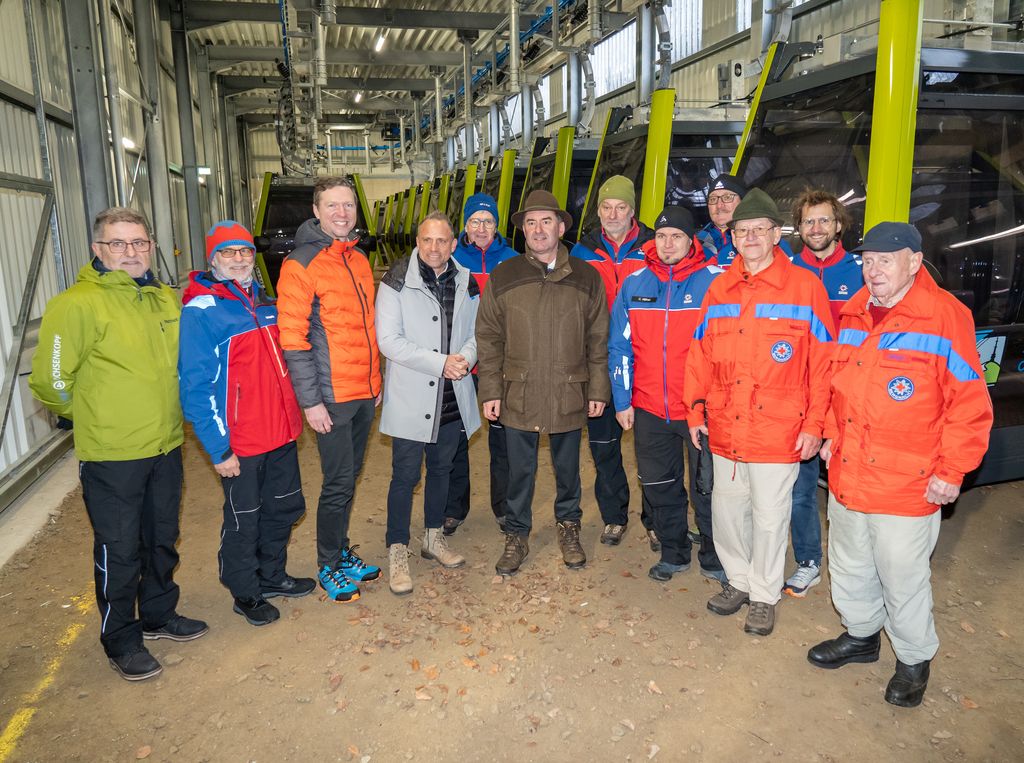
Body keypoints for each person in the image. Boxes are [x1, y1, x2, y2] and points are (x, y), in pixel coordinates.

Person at [808, 222, 992, 708]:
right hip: (849, 473)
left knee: (902, 575)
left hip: (906, 481)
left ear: (913, 261)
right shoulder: (854, 314)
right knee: (848, 564)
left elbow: (969, 403)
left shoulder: (945, 317)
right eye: (867, 261)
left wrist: (953, 470)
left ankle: (913, 660)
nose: (874, 270)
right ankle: (862, 636)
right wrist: (828, 433)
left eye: (885, 260)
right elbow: (835, 383)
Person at [29, 207, 207, 681]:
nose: (131, 252)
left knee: (161, 539)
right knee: (120, 548)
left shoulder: (163, 299)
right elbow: (50, 381)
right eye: (119, 244)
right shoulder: (77, 304)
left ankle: (158, 614)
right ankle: (121, 639)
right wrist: (92, 413)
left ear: (150, 246)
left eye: (139, 243)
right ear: (98, 249)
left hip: (166, 444)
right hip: (112, 454)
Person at [684, 189, 834, 637]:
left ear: (775, 234)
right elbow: (700, 355)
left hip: (779, 430)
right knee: (728, 513)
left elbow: (823, 365)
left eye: (759, 230)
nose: (749, 237)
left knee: (770, 517)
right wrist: (694, 410)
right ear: (732, 238)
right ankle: (738, 582)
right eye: (741, 230)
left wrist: (815, 425)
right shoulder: (719, 288)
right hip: (727, 424)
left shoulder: (806, 287)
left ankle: (764, 595)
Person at [178, 220, 313, 627]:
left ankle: (272, 576)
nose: (238, 259)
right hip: (242, 441)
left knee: (285, 508)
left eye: (244, 252)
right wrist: (219, 447)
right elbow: (196, 386)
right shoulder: (201, 311)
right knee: (244, 518)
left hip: (281, 432)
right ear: (213, 259)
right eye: (228, 253)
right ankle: (245, 591)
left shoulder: (266, 303)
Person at [476, 190, 610, 575]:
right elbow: (488, 336)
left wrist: (598, 389)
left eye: (546, 221)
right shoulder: (505, 275)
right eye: (530, 223)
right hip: (519, 389)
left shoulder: (587, 277)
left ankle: (569, 528)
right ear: (522, 231)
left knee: (568, 470)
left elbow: (598, 338)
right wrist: (491, 390)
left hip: (570, 389)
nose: (538, 230)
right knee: (519, 471)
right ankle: (516, 534)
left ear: (561, 226)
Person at [277, 176, 382, 603]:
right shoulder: (300, 264)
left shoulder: (356, 259)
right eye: (332, 206)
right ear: (317, 212)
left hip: (363, 391)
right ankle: (328, 564)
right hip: (332, 396)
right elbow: (294, 338)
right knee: (338, 482)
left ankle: (341, 553)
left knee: (350, 477)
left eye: (348, 205)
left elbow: (366, 328)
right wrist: (311, 401)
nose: (342, 213)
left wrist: (376, 383)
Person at [609, 206, 725, 583]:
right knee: (660, 485)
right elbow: (619, 348)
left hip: (700, 410)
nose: (667, 243)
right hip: (648, 408)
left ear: (691, 241)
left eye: (676, 236)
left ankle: (714, 553)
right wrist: (623, 400)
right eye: (661, 236)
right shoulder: (635, 283)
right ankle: (674, 551)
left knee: (707, 487)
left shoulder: (714, 283)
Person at [376, 212, 480, 595]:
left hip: (452, 395)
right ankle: (397, 548)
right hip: (413, 393)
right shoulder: (396, 282)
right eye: (427, 240)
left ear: (454, 244)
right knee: (405, 477)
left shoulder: (467, 281)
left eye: (442, 241)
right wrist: (441, 362)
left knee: (442, 470)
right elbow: (389, 341)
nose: (434, 248)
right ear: (417, 242)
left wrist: (466, 358)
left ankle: (433, 536)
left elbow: (475, 332)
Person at [782, 190, 863, 598]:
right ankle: (810, 561)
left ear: (838, 225)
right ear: (798, 228)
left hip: (849, 398)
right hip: (801, 395)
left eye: (824, 221)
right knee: (801, 484)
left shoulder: (863, 273)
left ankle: (859, 572)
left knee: (851, 490)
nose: (816, 229)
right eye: (808, 222)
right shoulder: (787, 272)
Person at [571, 176, 659, 550]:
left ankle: (656, 519)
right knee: (604, 445)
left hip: (649, 361)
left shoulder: (656, 244)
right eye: (606, 208)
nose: (613, 214)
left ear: (632, 210)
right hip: (600, 362)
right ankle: (614, 516)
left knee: (651, 449)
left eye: (620, 207)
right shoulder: (582, 252)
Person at [443, 193, 517, 536]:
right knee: (455, 435)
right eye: (475, 221)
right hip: (461, 363)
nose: (482, 228)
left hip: (501, 363)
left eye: (488, 221)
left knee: (502, 439)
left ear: (496, 225)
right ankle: (453, 509)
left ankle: (504, 507)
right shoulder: (451, 259)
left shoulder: (514, 260)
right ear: (466, 227)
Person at [696, 173, 792, 268]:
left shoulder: (766, 241)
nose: (719, 205)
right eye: (713, 199)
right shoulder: (694, 243)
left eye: (727, 197)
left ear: (743, 202)